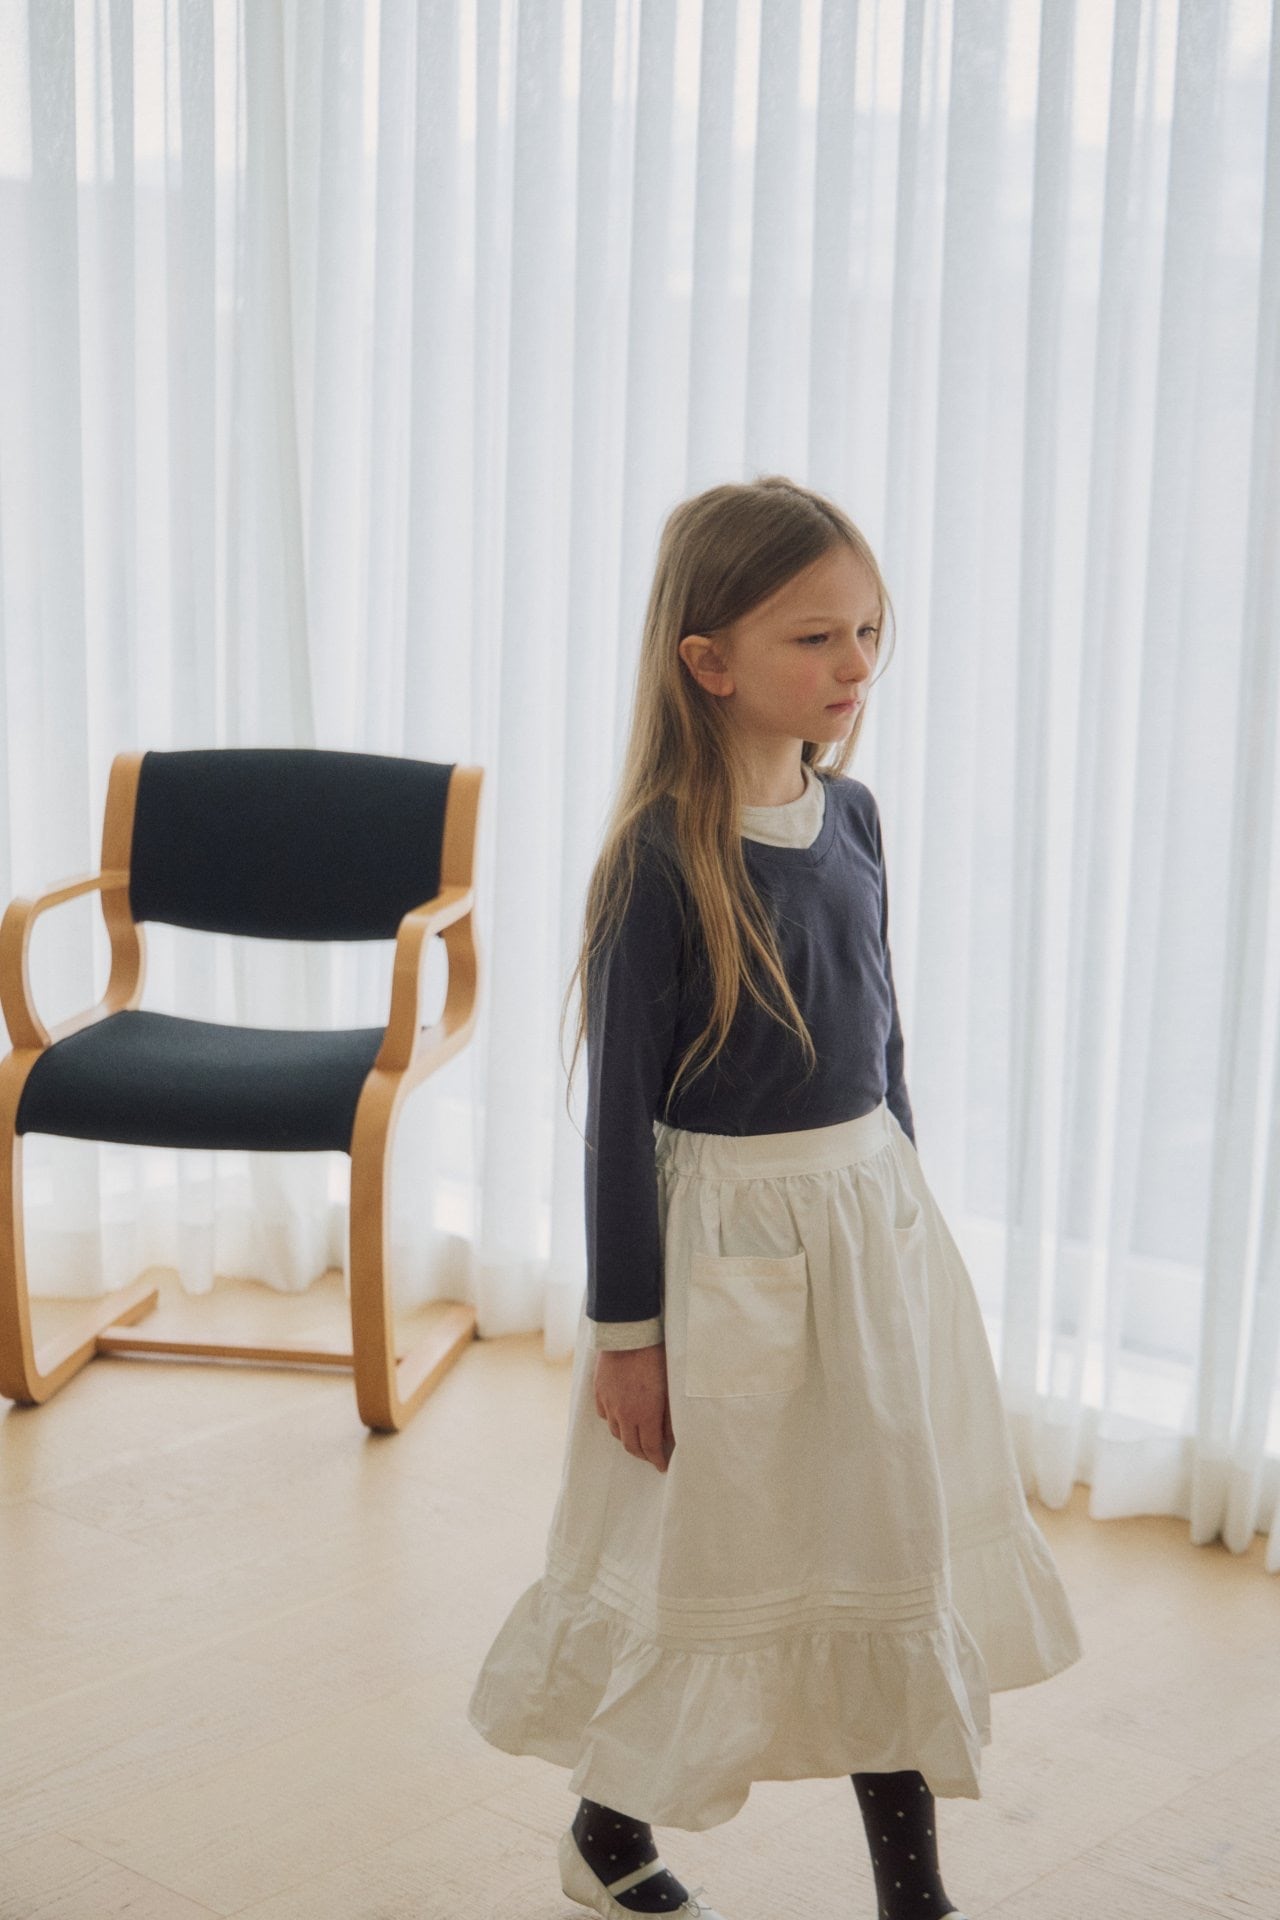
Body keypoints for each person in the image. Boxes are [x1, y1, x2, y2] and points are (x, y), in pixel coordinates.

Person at [467, 476, 1083, 1920]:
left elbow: (885, 1042)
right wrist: (629, 1338)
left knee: (883, 1547)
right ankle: (609, 1834)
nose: (856, 664)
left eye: (868, 631)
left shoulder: (853, 816)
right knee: (717, 1557)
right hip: (727, 1262)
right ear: (710, 661)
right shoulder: (658, 862)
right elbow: (617, 1125)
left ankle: (912, 1897)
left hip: (870, 1239)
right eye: (816, 637)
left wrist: (909, 1230)